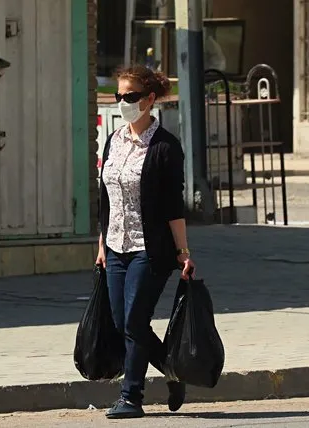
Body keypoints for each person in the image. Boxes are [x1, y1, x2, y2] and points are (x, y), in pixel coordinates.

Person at [96, 65, 196, 419]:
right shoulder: (114, 140)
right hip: (115, 246)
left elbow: (173, 205)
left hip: (149, 249)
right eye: (118, 96)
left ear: (150, 99)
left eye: (131, 96)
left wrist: (183, 251)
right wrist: (101, 244)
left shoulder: (166, 147)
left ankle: (131, 397)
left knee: (136, 319)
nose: (123, 102)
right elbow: (106, 199)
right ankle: (170, 368)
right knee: (124, 322)